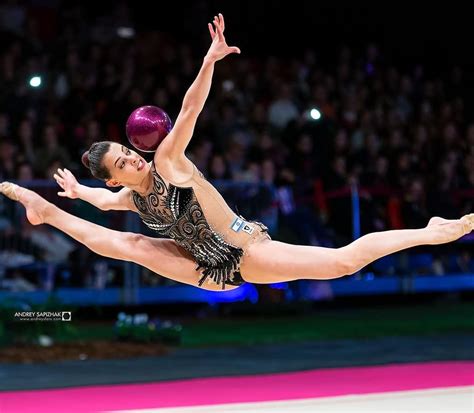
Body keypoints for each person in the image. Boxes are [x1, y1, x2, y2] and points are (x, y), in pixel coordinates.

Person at [1, 15, 473, 291]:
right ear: (116, 177)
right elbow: (105, 201)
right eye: (123, 164)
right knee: (131, 246)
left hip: (245, 252)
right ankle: (44, 211)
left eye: (129, 152)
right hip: (202, 266)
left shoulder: (169, 164)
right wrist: (78, 193)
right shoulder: (132, 197)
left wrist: (208, 62)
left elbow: (188, 111)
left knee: (342, 263)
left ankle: (429, 233)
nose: (133, 160)